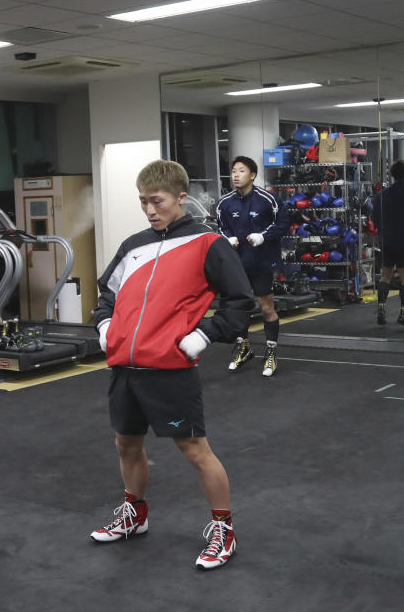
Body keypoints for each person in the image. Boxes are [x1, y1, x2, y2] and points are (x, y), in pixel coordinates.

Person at [90, 160, 255, 571]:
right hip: (126, 366)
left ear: (181, 198)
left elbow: (240, 300)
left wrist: (204, 334)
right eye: (143, 202)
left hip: (171, 368)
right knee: (126, 444)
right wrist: (107, 325)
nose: (149, 210)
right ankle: (135, 514)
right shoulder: (133, 245)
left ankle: (223, 529)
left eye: (157, 201)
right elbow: (106, 294)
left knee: (195, 449)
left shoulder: (207, 244)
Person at [215, 156, 289, 377]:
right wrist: (226, 238)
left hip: (261, 262)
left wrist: (264, 237)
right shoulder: (224, 203)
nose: (236, 175)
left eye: (241, 171)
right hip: (236, 264)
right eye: (234, 171)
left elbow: (283, 224)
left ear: (253, 175)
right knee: (238, 308)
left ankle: (271, 353)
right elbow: (220, 226)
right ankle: (244, 347)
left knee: (266, 308)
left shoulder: (269, 200)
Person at [371, 159, 404, 328]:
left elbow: (375, 217)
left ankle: (381, 309)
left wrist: (384, 229)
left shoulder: (382, 195)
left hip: (387, 239)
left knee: (385, 275)